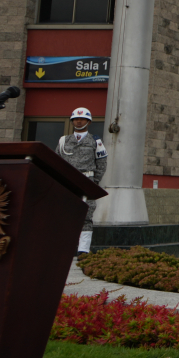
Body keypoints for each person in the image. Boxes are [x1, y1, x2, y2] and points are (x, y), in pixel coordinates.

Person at [56, 107, 106, 256]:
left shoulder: (96, 141)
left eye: (82, 119)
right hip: (68, 182)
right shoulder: (64, 140)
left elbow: (102, 164)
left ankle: (83, 249)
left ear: (88, 121)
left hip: (86, 181)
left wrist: (93, 182)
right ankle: (66, 247)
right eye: (76, 119)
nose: (78, 121)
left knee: (86, 216)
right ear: (72, 121)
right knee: (66, 215)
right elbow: (57, 161)